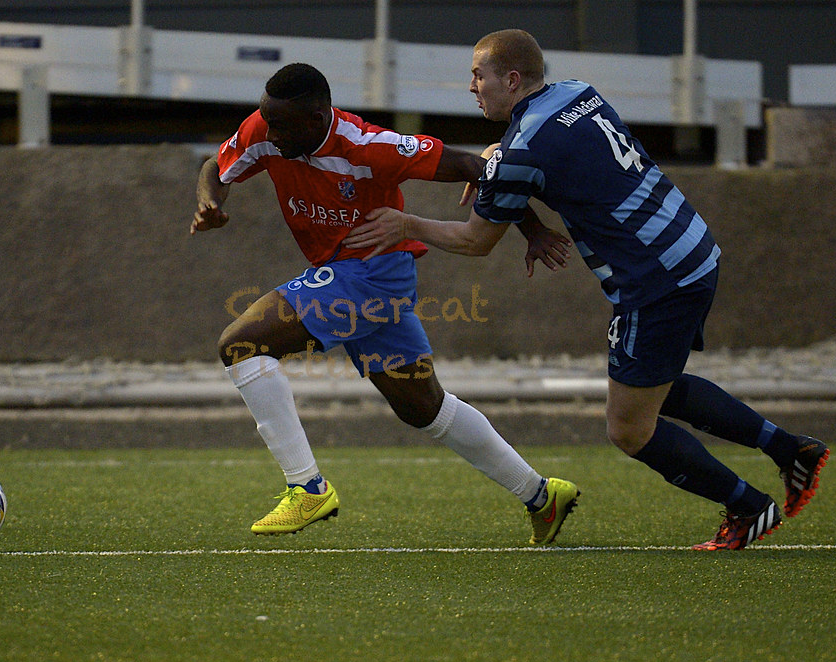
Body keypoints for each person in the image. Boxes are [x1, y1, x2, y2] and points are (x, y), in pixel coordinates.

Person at [343, 30, 830, 551]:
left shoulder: (521, 150)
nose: (471, 87)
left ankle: (748, 506)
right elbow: (541, 156)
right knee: (656, 383)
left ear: (510, 80)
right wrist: (498, 162)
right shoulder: (578, 92)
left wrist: (406, 224)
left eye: (478, 76)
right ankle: (791, 450)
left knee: (628, 427)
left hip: (654, 279)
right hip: (691, 246)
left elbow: (476, 240)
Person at [191, 62, 579, 541]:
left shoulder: (369, 145)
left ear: (317, 117)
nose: (268, 133)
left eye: (281, 125)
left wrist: (532, 227)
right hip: (354, 279)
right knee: (423, 408)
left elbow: (479, 167)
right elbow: (216, 166)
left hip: (373, 274)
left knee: (241, 343)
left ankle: (307, 488)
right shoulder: (266, 130)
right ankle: (542, 496)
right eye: (266, 121)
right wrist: (210, 202)